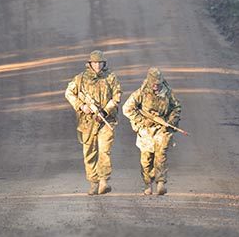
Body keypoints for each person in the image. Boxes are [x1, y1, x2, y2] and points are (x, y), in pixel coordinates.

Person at [64, 50, 122, 195]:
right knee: (89, 153)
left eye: (100, 62)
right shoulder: (80, 79)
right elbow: (69, 93)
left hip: (106, 120)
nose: (97, 65)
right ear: (89, 63)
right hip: (87, 122)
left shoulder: (111, 78)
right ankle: (93, 182)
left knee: (104, 151)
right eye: (94, 62)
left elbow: (117, 96)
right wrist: (81, 106)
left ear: (104, 63)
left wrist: (105, 110)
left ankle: (104, 181)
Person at [123, 67, 182, 195]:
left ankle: (161, 183)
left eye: (158, 83)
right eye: (153, 83)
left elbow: (177, 108)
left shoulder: (168, 93)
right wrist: (142, 121)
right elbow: (127, 108)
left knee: (161, 156)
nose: (155, 86)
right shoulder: (141, 93)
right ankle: (147, 183)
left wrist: (170, 122)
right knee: (146, 159)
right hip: (146, 131)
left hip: (162, 130)